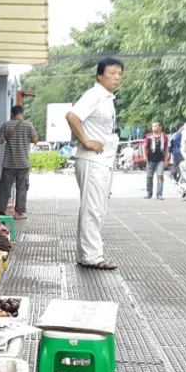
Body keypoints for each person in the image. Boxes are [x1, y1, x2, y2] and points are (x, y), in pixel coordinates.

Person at [65, 57, 123, 270]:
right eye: (111, 73)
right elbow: (72, 116)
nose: (116, 77)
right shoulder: (95, 94)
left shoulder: (107, 98)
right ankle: (92, 256)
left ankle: (87, 254)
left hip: (102, 159)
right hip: (92, 159)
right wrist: (85, 140)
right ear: (99, 76)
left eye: (119, 74)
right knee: (93, 208)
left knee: (96, 207)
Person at [0, 105, 38, 218]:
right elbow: (35, 140)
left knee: (4, 187)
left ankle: (1, 210)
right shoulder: (28, 125)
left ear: (12, 113)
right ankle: (18, 213)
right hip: (23, 162)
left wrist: (7, 138)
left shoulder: (6, 125)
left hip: (9, 163)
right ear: (22, 113)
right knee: (22, 187)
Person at [143, 121, 170, 200]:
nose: (153, 128)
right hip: (150, 160)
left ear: (160, 127)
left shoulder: (164, 137)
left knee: (160, 176)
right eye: (152, 126)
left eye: (155, 126)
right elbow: (144, 146)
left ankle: (159, 194)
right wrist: (144, 155)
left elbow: (166, 149)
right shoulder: (149, 136)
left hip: (160, 160)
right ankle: (149, 193)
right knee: (149, 177)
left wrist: (166, 160)